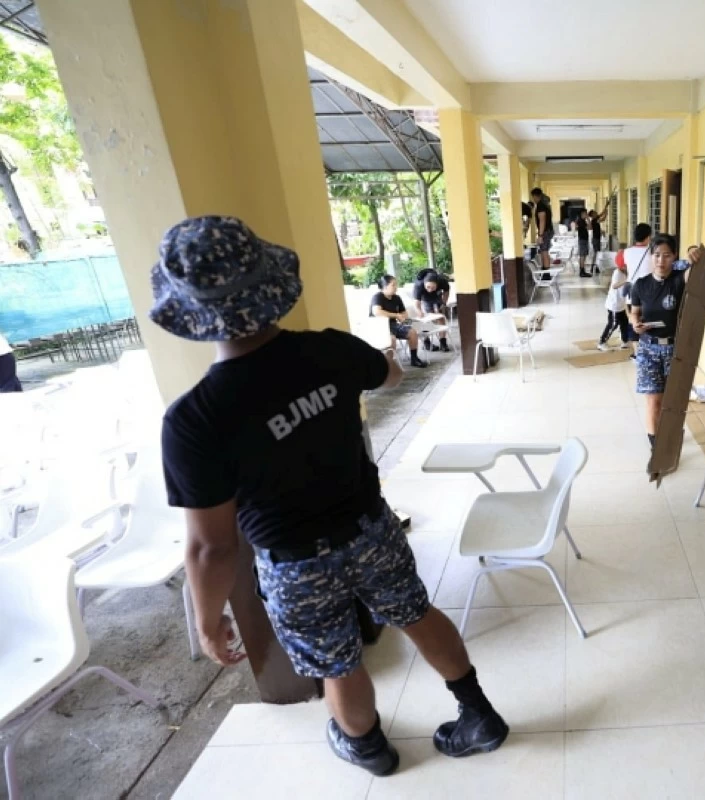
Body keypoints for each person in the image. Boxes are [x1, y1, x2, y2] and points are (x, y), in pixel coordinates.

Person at [154, 216, 508, 777]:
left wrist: (206, 618)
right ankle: (479, 715)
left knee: (336, 661)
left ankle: (369, 749)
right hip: (371, 530)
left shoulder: (194, 420)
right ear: (271, 284)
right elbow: (389, 376)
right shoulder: (329, 350)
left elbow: (211, 548)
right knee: (417, 613)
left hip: (295, 567)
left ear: (189, 312)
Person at [628, 233, 695, 448]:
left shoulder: (678, 280)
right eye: (656, 255)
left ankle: (672, 437)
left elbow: (695, 268)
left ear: (674, 257)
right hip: (648, 348)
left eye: (667, 255)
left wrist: (693, 250)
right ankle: (657, 448)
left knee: (673, 402)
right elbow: (634, 312)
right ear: (651, 256)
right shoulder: (641, 284)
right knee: (653, 401)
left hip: (675, 350)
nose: (661, 261)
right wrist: (635, 323)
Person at [371, 275, 427, 368]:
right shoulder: (378, 297)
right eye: (393, 285)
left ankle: (414, 358)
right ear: (385, 286)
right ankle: (389, 366)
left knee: (413, 331)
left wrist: (404, 318)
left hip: (395, 324)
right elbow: (377, 312)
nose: (396, 287)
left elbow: (404, 313)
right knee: (391, 339)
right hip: (380, 327)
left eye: (396, 285)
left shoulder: (397, 298)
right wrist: (396, 315)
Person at [618, 223, 654, 361]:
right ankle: (648, 351)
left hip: (632, 291)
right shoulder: (653, 251)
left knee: (633, 321)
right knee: (648, 320)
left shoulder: (625, 252)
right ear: (648, 237)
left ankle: (637, 352)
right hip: (649, 292)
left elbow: (621, 265)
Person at [597, 247, 631, 352]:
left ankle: (625, 341)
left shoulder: (625, 273)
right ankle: (602, 342)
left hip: (620, 305)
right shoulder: (617, 273)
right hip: (614, 306)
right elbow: (615, 285)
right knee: (613, 324)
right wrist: (626, 282)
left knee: (625, 323)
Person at [413, 271, 451, 353]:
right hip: (425, 298)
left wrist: (444, 303)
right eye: (428, 287)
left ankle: (443, 342)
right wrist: (419, 311)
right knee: (426, 320)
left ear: (437, 284)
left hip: (437, 295)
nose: (430, 290)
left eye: (432, 287)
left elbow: (446, 291)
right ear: (424, 283)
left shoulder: (442, 281)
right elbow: (416, 303)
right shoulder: (418, 285)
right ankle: (426, 343)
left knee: (440, 317)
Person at [530, 188, 554, 271]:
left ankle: (546, 274)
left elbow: (542, 221)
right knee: (545, 251)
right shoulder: (545, 205)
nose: (533, 199)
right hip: (548, 230)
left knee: (544, 252)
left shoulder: (541, 206)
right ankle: (545, 271)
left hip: (545, 232)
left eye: (533, 197)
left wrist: (540, 235)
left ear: (535, 196)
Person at [590, 200, 610, 274]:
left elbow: (602, 217)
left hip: (596, 239)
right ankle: (593, 267)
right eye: (595, 213)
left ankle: (595, 267)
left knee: (597, 253)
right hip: (596, 239)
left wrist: (606, 211)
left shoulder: (595, 220)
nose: (596, 213)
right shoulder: (594, 220)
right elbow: (602, 215)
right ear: (592, 215)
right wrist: (606, 206)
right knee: (596, 253)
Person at [575, 210, 590, 277]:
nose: (587, 215)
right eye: (586, 214)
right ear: (582, 214)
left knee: (583, 255)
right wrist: (588, 219)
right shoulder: (581, 221)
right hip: (582, 240)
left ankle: (582, 270)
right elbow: (590, 227)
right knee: (582, 255)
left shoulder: (582, 221)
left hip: (584, 239)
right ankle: (582, 271)